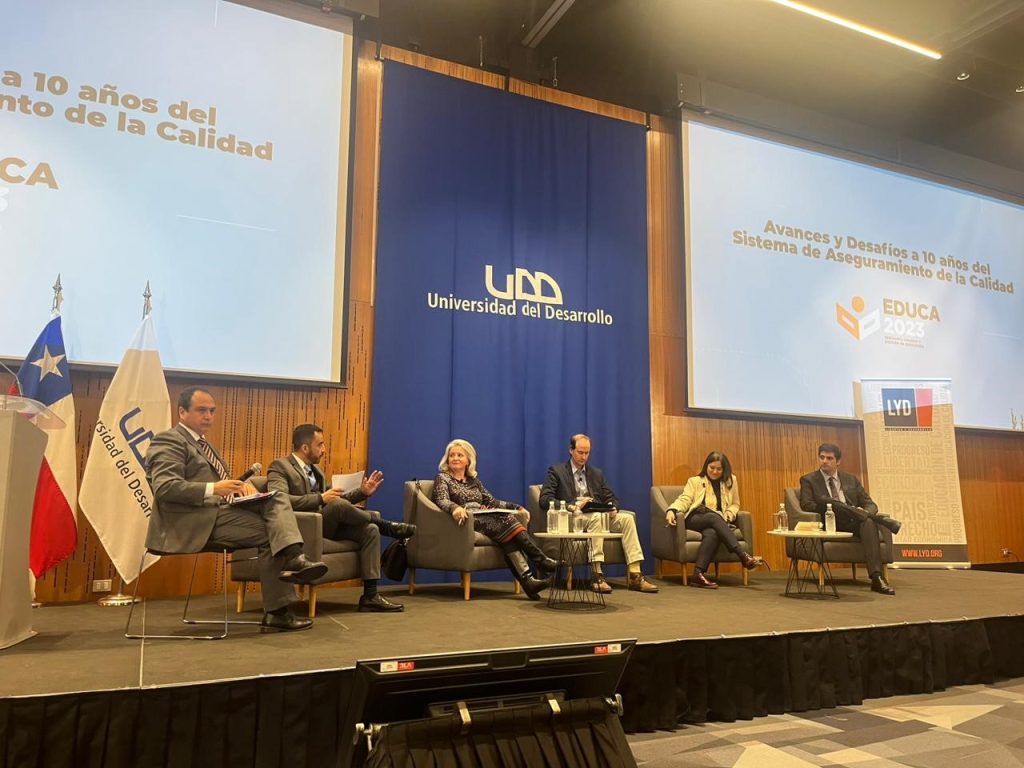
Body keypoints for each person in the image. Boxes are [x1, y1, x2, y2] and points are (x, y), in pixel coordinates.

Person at [146, 386, 327, 632]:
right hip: (190, 522)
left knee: (275, 498)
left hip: (217, 513)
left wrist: (241, 488)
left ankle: (292, 563)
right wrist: (214, 488)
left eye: (212, 411)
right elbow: (165, 487)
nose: (208, 416)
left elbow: (221, 486)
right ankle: (282, 596)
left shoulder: (204, 444)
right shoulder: (169, 440)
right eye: (201, 410)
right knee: (273, 535)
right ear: (182, 412)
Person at [268, 424, 413, 612]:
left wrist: (362, 492)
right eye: (320, 444)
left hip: (326, 524)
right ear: (305, 447)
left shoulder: (316, 472)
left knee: (370, 530)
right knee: (337, 505)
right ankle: (386, 526)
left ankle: (370, 596)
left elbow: (336, 500)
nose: (324, 450)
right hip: (302, 528)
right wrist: (320, 498)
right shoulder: (280, 466)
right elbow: (278, 498)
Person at [432, 439, 556, 600]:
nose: (455, 458)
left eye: (460, 455)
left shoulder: (473, 481)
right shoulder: (443, 478)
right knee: (506, 520)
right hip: (466, 520)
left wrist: (516, 507)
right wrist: (455, 508)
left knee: (507, 536)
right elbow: (441, 499)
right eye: (452, 455)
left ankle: (529, 582)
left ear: (468, 460)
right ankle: (540, 559)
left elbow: (492, 501)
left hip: (484, 517)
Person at [539, 434, 658, 594]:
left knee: (627, 519)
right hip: (573, 518)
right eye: (580, 452)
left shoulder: (596, 473)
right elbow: (545, 499)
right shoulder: (557, 471)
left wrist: (613, 508)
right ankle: (597, 575)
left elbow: (611, 497)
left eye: (587, 453)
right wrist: (572, 506)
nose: (584, 457)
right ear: (571, 450)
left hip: (598, 515)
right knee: (596, 517)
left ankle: (635, 575)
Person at [799, 442, 901, 596]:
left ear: (838, 461)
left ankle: (876, 577)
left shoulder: (850, 479)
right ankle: (879, 521)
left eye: (829, 458)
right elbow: (806, 504)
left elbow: (870, 504)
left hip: (852, 522)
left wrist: (865, 512)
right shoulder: (809, 480)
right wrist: (828, 505)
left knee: (868, 522)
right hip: (829, 521)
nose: (824, 461)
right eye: (822, 457)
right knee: (828, 501)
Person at [664, 451, 763, 588]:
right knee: (713, 516)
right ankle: (742, 555)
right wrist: (672, 510)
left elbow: (735, 504)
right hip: (695, 518)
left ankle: (698, 574)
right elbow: (685, 499)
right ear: (706, 466)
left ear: (724, 469)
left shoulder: (731, 481)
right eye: (712, 468)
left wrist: (729, 513)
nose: (715, 471)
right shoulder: (695, 481)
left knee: (713, 533)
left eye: (719, 469)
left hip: (717, 521)